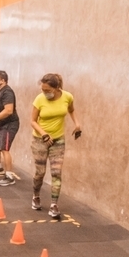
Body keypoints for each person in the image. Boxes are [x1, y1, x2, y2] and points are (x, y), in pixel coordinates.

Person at [31, 73, 81, 219]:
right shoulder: (39, 99)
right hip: (40, 140)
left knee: (56, 173)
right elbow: (33, 121)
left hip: (58, 140)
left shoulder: (67, 97)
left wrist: (77, 124)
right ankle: (36, 196)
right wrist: (43, 134)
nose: (44, 92)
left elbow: (71, 110)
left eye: (47, 90)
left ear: (56, 88)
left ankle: (54, 205)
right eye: (43, 89)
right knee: (40, 172)